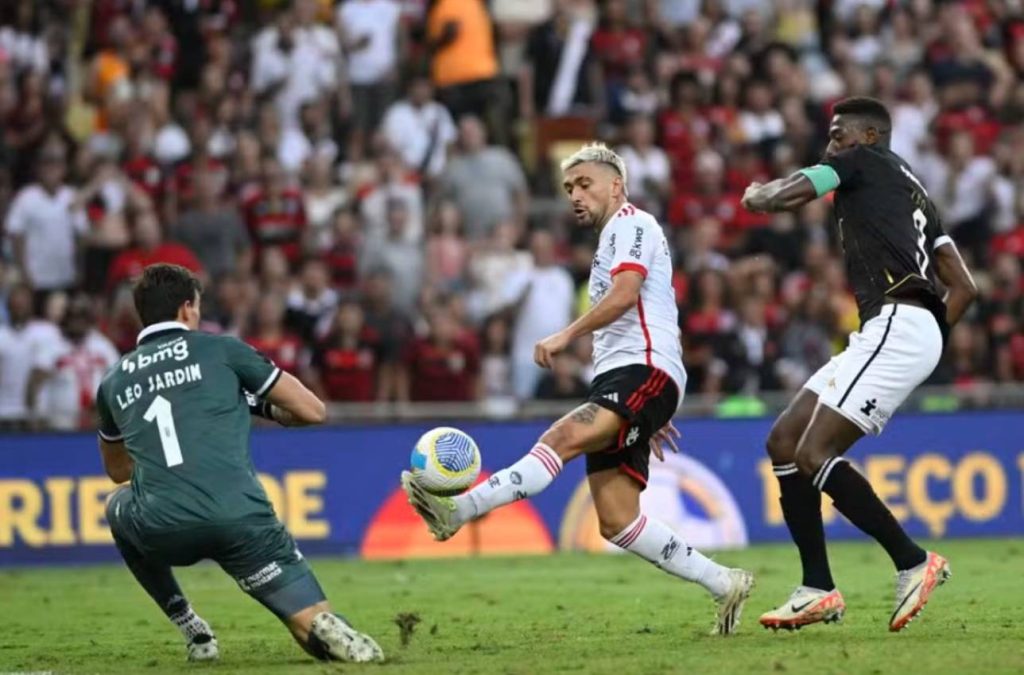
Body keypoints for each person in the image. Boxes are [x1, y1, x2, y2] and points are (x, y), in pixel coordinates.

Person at [401, 142, 753, 635]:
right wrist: (645, 413)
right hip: (632, 381)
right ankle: (724, 582)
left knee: (559, 440)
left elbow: (627, 295)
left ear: (617, 184)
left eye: (585, 184)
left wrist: (567, 335)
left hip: (642, 370)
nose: (575, 195)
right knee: (616, 520)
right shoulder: (611, 238)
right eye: (568, 188)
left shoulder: (633, 223)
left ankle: (459, 509)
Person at [740, 97, 978, 632]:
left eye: (838, 133)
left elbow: (793, 192)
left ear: (869, 136)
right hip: (897, 328)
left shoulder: (861, 162)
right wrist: (930, 344)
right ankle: (816, 588)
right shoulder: (916, 193)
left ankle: (913, 561)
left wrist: (759, 196)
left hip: (897, 321)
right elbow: (964, 286)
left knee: (814, 451)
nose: (831, 144)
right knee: (784, 442)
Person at [95, 263, 383, 663]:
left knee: (115, 506)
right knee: (309, 624)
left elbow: (118, 472)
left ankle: (189, 625)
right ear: (186, 309)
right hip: (239, 518)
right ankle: (320, 625)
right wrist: (251, 403)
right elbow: (312, 411)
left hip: (162, 525)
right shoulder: (221, 350)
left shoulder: (113, 381)